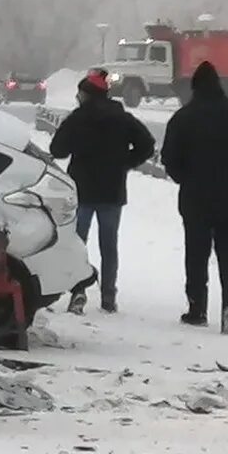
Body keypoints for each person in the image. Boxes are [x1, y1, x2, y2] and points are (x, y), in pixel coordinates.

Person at [160, 61, 228, 334]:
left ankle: (197, 308)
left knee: (196, 254)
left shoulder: (183, 118)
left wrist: (185, 178)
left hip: (196, 199)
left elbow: (169, 158)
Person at [49, 68, 155, 314]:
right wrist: (126, 162)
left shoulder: (77, 118)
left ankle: (78, 291)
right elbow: (147, 145)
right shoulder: (123, 118)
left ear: (85, 94)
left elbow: (58, 150)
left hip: (82, 189)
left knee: (78, 243)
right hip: (112, 189)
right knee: (109, 244)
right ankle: (109, 295)